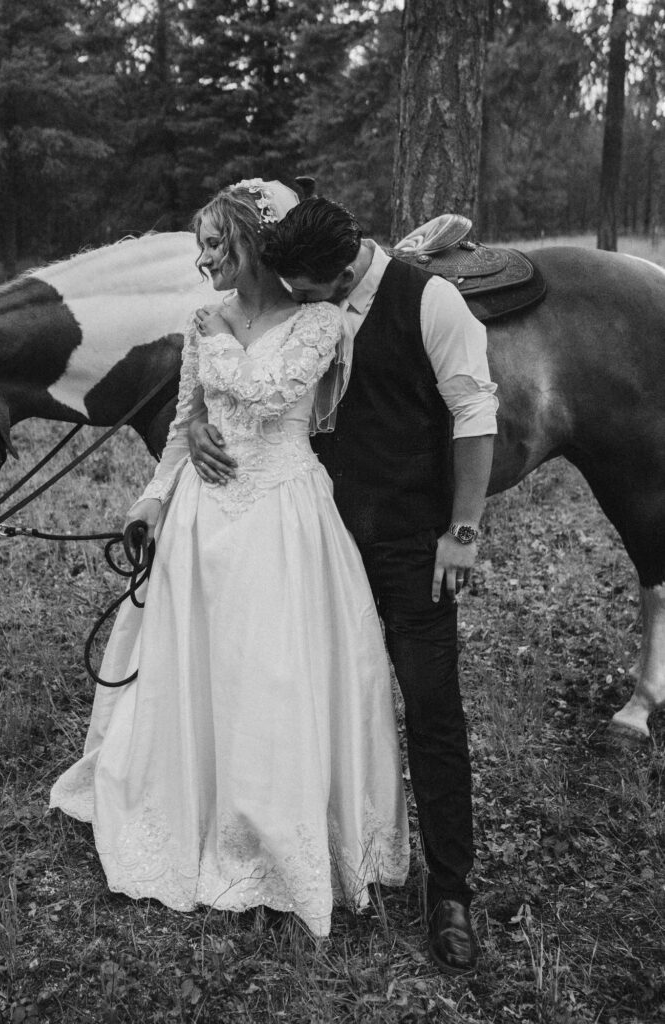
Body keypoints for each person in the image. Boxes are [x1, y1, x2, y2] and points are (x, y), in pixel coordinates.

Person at [50, 180, 410, 937]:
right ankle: (193, 810)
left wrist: (224, 384)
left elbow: (273, 394)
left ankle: (276, 835)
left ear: (248, 245)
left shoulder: (319, 322)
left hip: (284, 516)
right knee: (200, 669)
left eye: (214, 244)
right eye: (198, 246)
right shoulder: (200, 322)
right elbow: (185, 426)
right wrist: (153, 496)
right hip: (203, 522)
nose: (202, 259)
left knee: (275, 672)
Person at [189, 196, 498, 973]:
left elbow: (473, 412)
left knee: (430, 708)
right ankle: (318, 844)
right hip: (315, 539)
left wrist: (461, 533)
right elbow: (245, 384)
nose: (297, 304)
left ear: (345, 264)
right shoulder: (302, 295)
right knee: (315, 698)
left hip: (408, 547)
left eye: (307, 290)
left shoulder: (429, 302)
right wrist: (197, 424)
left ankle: (450, 891)